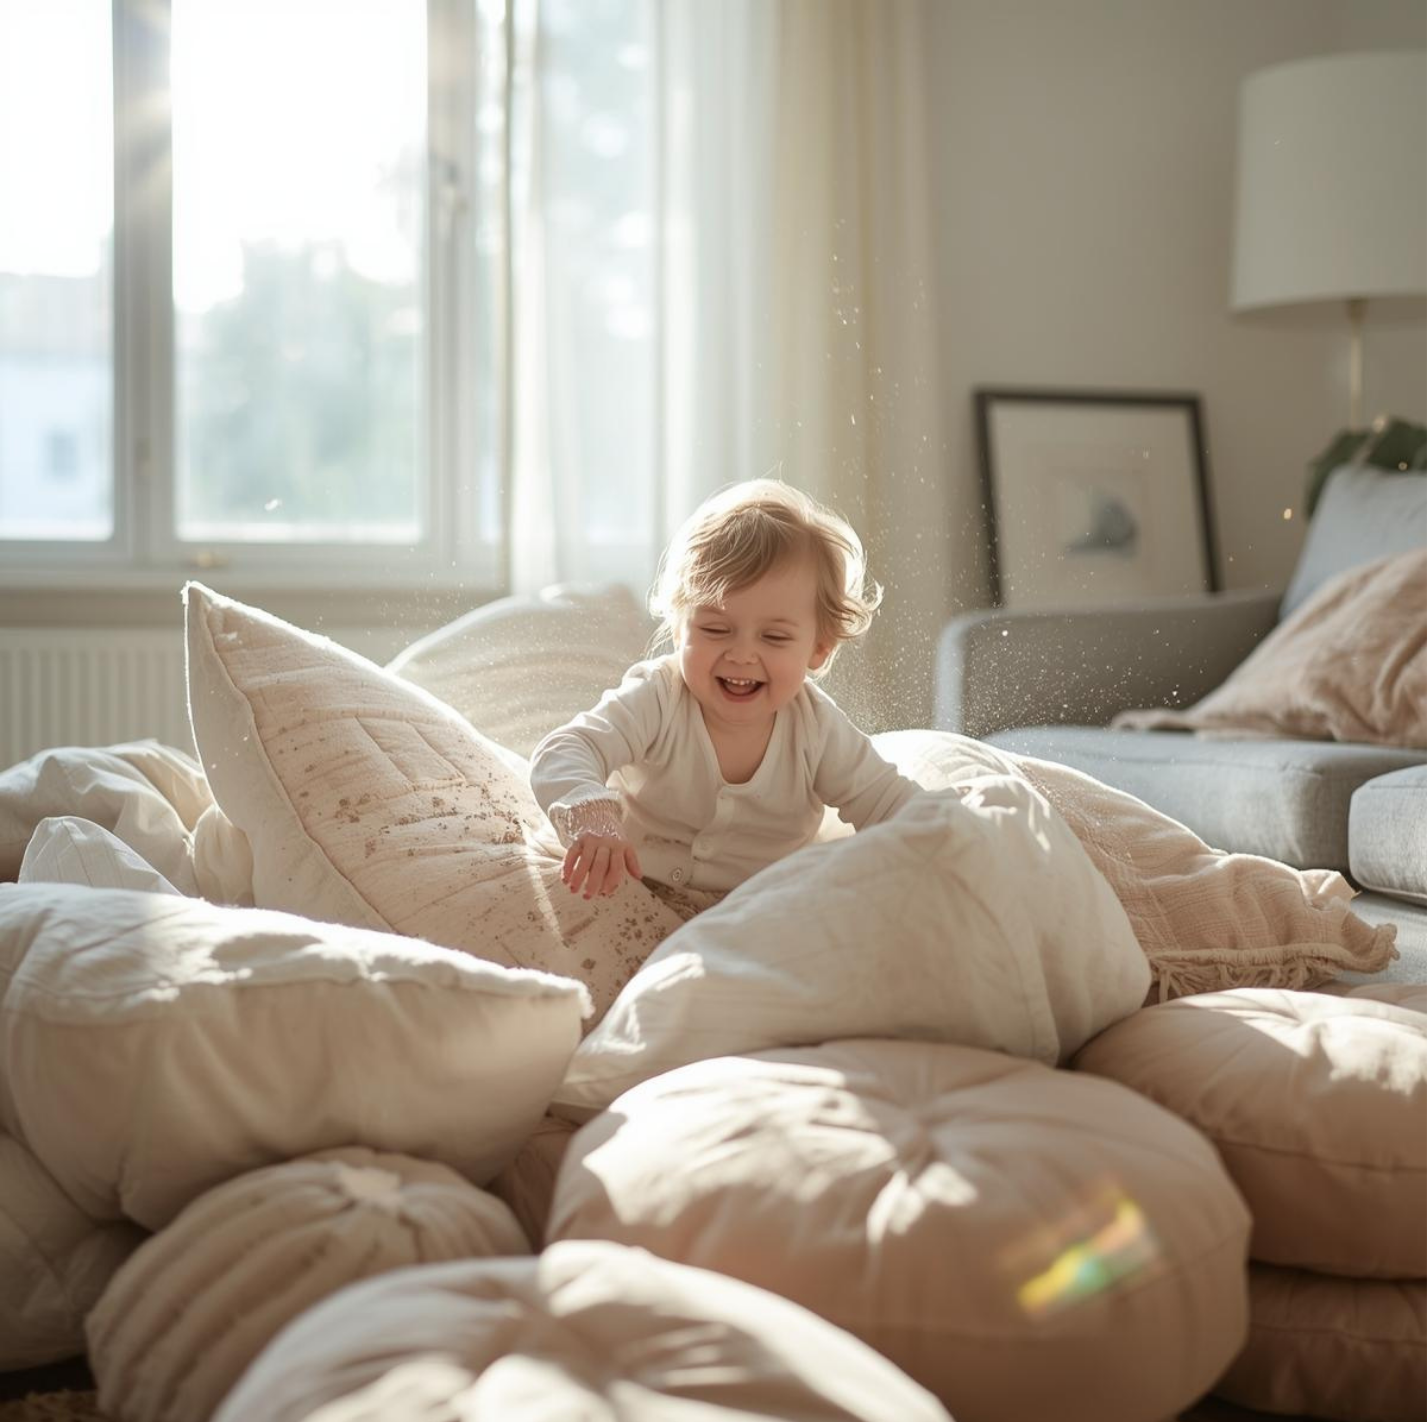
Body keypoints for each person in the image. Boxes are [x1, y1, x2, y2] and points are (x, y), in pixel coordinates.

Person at [529, 479, 923, 899]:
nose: (741, 654)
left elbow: (887, 803)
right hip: (631, 887)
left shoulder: (816, 728)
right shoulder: (660, 696)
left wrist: (950, 843)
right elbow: (565, 751)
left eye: (773, 638)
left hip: (752, 912)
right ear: (679, 631)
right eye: (716, 629)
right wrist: (593, 817)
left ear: (819, 650)